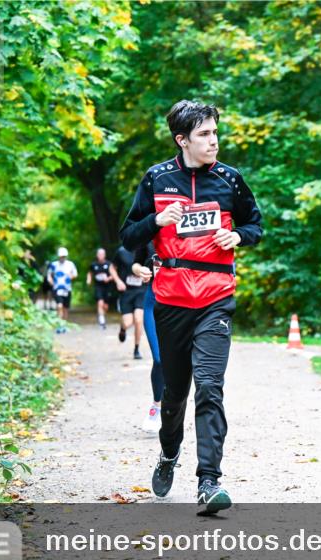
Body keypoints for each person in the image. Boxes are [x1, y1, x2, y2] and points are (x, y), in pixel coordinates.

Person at [119, 100, 263, 515]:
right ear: (182, 140)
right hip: (170, 298)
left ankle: (208, 481)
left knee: (210, 387)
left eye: (215, 133)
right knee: (175, 394)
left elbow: (255, 224)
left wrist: (238, 238)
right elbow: (128, 236)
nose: (213, 141)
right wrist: (157, 223)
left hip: (217, 296)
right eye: (204, 135)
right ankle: (168, 454)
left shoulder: (230, 180)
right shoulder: (157, 179)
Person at [131, 242, 163, 433]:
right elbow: (135, 263)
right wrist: (141, 269)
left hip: (179, 305)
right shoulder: (150, 230)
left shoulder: (188, 228)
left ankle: (174, 408)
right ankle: (156, 407)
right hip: (153, 302)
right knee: (159, 359)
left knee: (178, 360)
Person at [113, 245, 146, 359]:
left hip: (141, 290)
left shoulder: (146, 249)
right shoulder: (122, 251)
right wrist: (118, 281)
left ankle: (136, 349)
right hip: (126, 292)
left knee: (138, 319)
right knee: (128, 322)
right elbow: (112, 268)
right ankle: (123, 329)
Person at [46, 247, 77, 333]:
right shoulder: (54, 265)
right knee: (59, 306)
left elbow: (75, 274)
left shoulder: (70, 264)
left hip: (67, 289)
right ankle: (59, 325)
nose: (62, 258)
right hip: (57, 288)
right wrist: (51, 282)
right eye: (61, 256)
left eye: (63, 256)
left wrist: (70, 277)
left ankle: (64, 325)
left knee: (65, 308)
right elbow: (49, 275)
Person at [86, 248, 115, 330]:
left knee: (105, 306)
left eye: (102, 254)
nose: (100, 256)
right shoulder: (93, 265)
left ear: (104, 255)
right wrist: (89, 280)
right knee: (100, 303)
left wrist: (109, 278)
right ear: (97, 255)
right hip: (98, 286)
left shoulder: (109, 264)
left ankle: (103, 316)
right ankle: (102, 321)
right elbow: (90, 273)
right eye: (99, 254)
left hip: (108, 287)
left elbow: (115, 275)